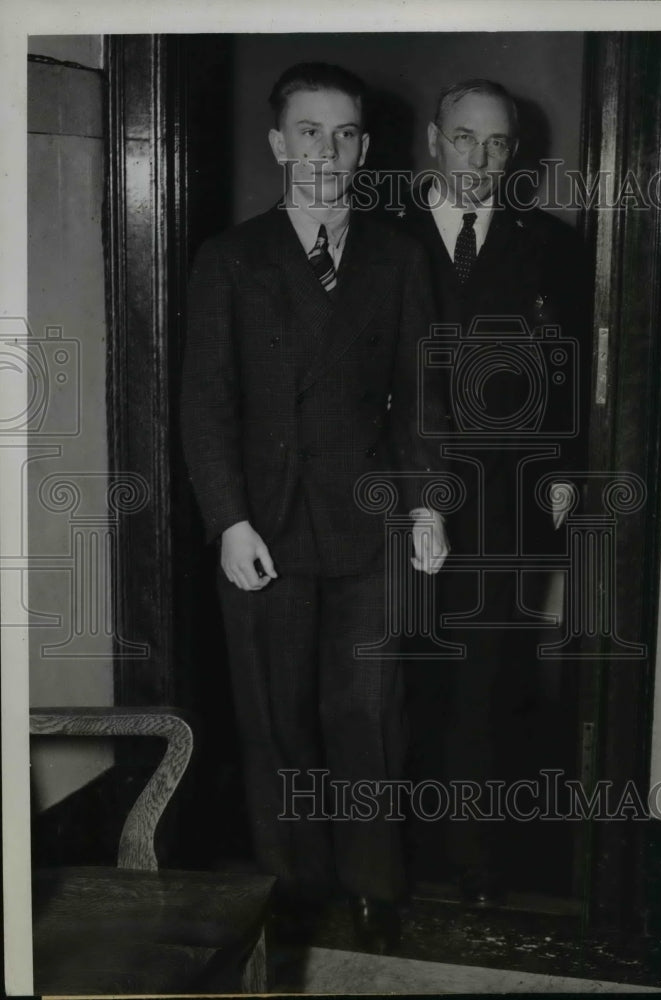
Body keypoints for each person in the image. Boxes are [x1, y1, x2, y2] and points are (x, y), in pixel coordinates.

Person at [179, 62, 449, 954]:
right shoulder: (230, 260)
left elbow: (418, 400)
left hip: (371, 524)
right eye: (306, 132)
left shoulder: (399, 258)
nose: (324, 152)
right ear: (275, 144)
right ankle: (290, 887)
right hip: (265, 527)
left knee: (369, 714)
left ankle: (373, 887)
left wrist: (427, 509)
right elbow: (206, 405)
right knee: (274, 717)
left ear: (365, 149)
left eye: (342, 134)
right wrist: (229, 521)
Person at [397, 79, 589, 908]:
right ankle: (389, 858)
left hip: (506, 493)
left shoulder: (549, 244)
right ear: (433, 141)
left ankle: (473, 862)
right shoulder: (375, 233)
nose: (479, 159)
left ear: (515, 153)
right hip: (393, 490)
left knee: (485, 675)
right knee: (391, 669)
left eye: (497, 144)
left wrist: (563, 471)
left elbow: (570, 372)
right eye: (464, 139)